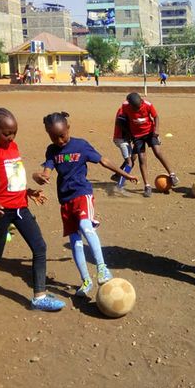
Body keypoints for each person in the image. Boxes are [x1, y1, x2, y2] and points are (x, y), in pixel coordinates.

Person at [0, 108, 65, 311]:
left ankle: (39, 296)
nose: (10, 137)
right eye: (6, 133)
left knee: (39, 247)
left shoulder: (14, 147)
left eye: (14, 133)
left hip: (21, 208)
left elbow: (13, 177)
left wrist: (28, 192)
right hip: (0, 211)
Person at [34, 111, 138, 297]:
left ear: (68, 129)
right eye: (54, 137)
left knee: (85, 225)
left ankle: (102, 268)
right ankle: (86, 280)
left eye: (62, 135)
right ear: (48, 135)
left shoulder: (80, 145)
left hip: (82, 193)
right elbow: (47, 171)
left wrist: (125, 174)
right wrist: (39, 177)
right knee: (75, 241)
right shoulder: (52, 150)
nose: (60, 140)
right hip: (65, 200)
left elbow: (103, 160)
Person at [119, 92, 179, 197]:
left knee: (157, 152)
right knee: (142, 159)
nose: (137, 110)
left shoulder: (148, 105)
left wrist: (156, 129)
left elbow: (156, 117)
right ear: (130, 105)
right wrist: (130, 134)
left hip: (150, 133)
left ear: (141, 102)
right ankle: (147, 186)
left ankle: (172, 175)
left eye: (138, 107)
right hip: (137, 136)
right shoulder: (125, 106)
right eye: (135, 108)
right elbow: (123, 121)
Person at [110, 106, 137, 190]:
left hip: (126, 139)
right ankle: (119, 186)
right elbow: (119, 122)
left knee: (133, 157)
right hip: (121, 139)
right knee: (129, 162)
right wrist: (130, 134)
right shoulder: (123, 109)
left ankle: (117, 175)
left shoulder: (130, 109)